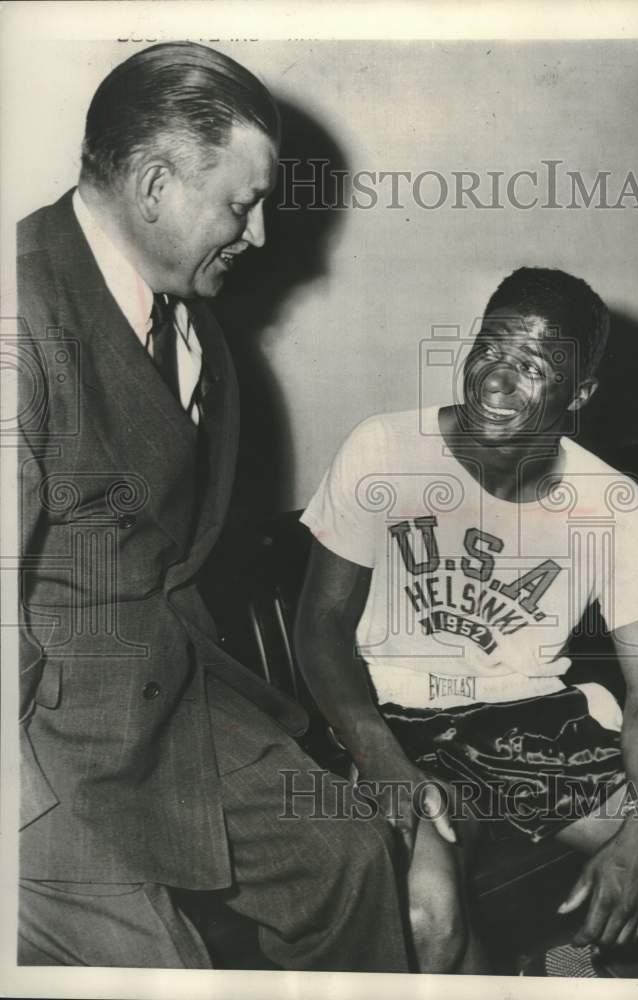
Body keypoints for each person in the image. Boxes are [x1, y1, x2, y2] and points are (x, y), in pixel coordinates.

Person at [16, 41, 409, 971]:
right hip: (43, 746)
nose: (262, 235)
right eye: (242, 204)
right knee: (173, 972)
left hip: (173, 691)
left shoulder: (185, 310)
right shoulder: (19, 316)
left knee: (348, 863)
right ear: (154, 183)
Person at [296, 267, 638, 975]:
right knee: (423, 919)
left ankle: (559, 971)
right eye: (488, 350)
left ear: (578, 396)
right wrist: (378, 758)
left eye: (529, 366)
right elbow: (319, 627)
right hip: (395, 720)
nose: (494, 381)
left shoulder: (612, 504)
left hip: (530, 725)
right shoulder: (383, 451)